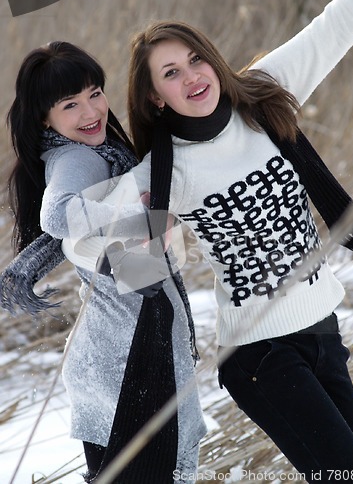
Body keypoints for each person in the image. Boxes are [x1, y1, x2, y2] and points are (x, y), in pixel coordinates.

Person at [62, 0, 353, 480]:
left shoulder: (265, 93)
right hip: (261, 356)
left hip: (323, 331)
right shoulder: (164, 173)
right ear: (153, 96)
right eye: (171, 73)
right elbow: (74, 230)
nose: (191, 77)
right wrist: (149, 239)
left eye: (194, 60)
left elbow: (337, 23)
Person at [2, 41, 206, 483]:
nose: (91, 111)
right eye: (70, 104)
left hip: (123, 352)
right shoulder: (77, 158)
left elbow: (124, 261)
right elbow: (57, 215)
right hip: (128, 366)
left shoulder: (101, 151)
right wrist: (136, 215)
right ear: (45, 118)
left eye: (95, 93)